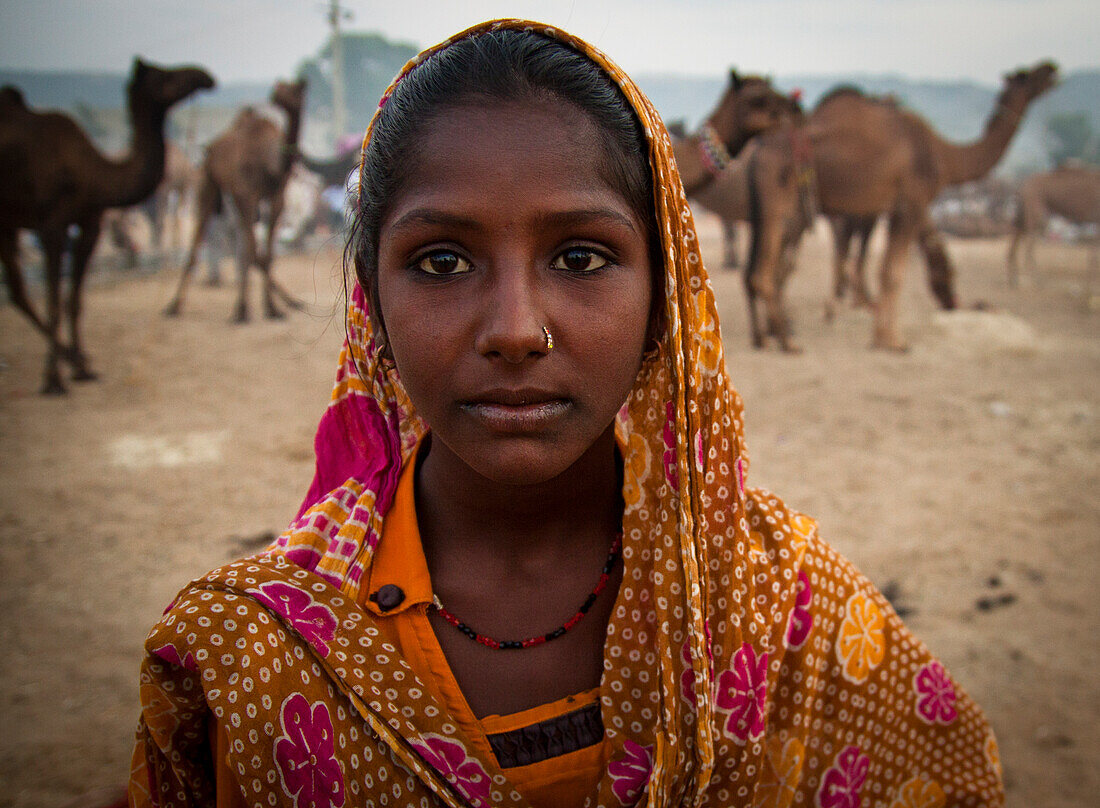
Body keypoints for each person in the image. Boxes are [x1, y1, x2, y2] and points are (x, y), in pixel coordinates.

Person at [129, 19, 1003, 808]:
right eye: (441, 263)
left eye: (581, 256)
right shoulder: (239, 653)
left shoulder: (785, 609)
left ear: (666, 299)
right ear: (373, 311)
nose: (516, 330)